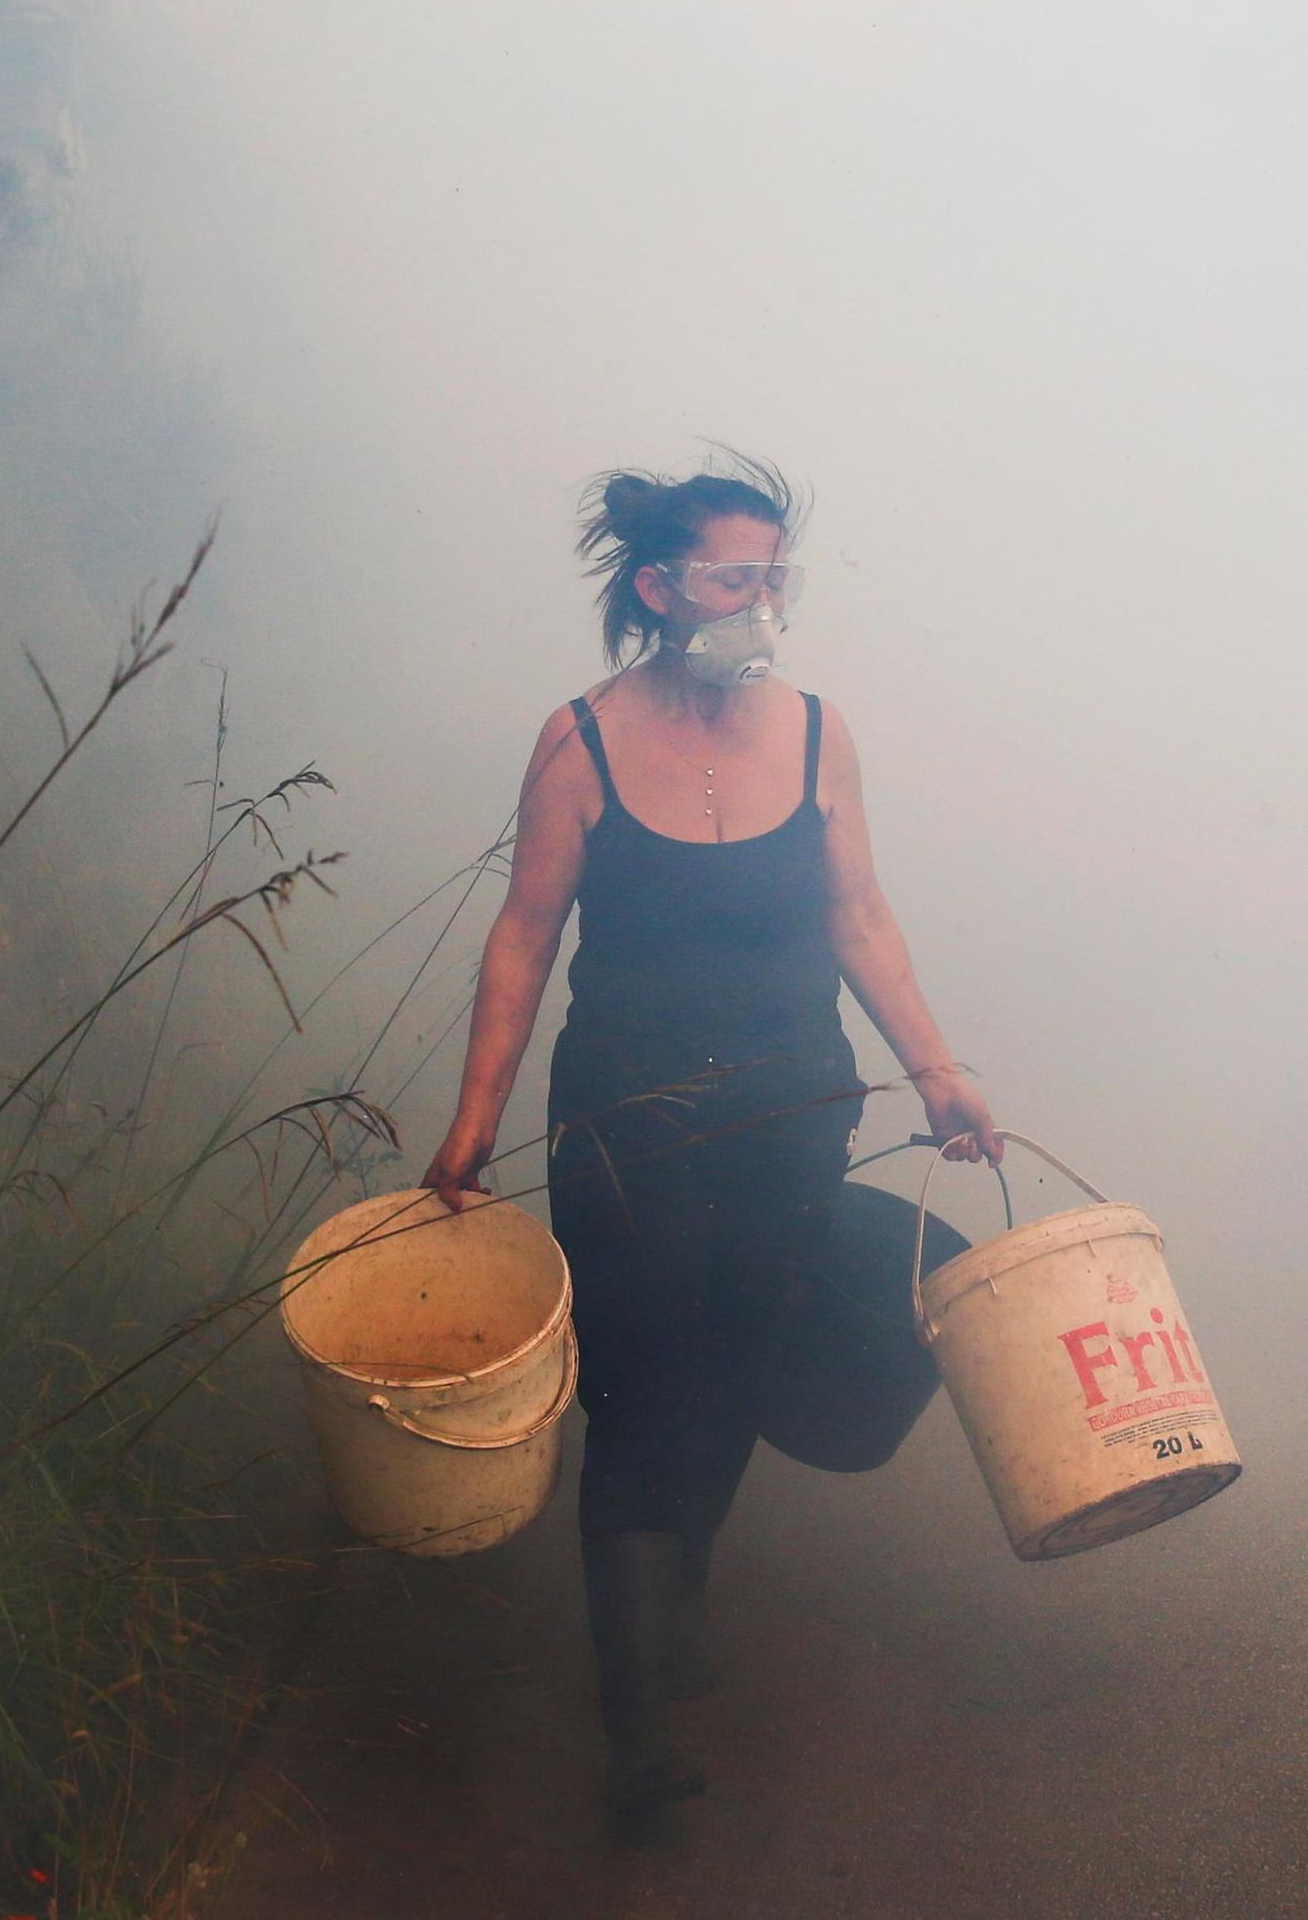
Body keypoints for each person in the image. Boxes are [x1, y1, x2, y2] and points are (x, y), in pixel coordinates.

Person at [421, 455, 1000, 1834]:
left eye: (774, 577)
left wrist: (937, 1070)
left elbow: (860, 915)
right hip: (631, 1129)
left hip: (795, 1112)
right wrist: (472, 1124)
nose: (763, 604)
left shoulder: (815, 734)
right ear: (659, 589)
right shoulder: (581, 741)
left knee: (740, 1363)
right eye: (737, 578)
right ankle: (632, 1739)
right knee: (634, 1400)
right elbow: (524, 936)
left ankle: (682, 1580)